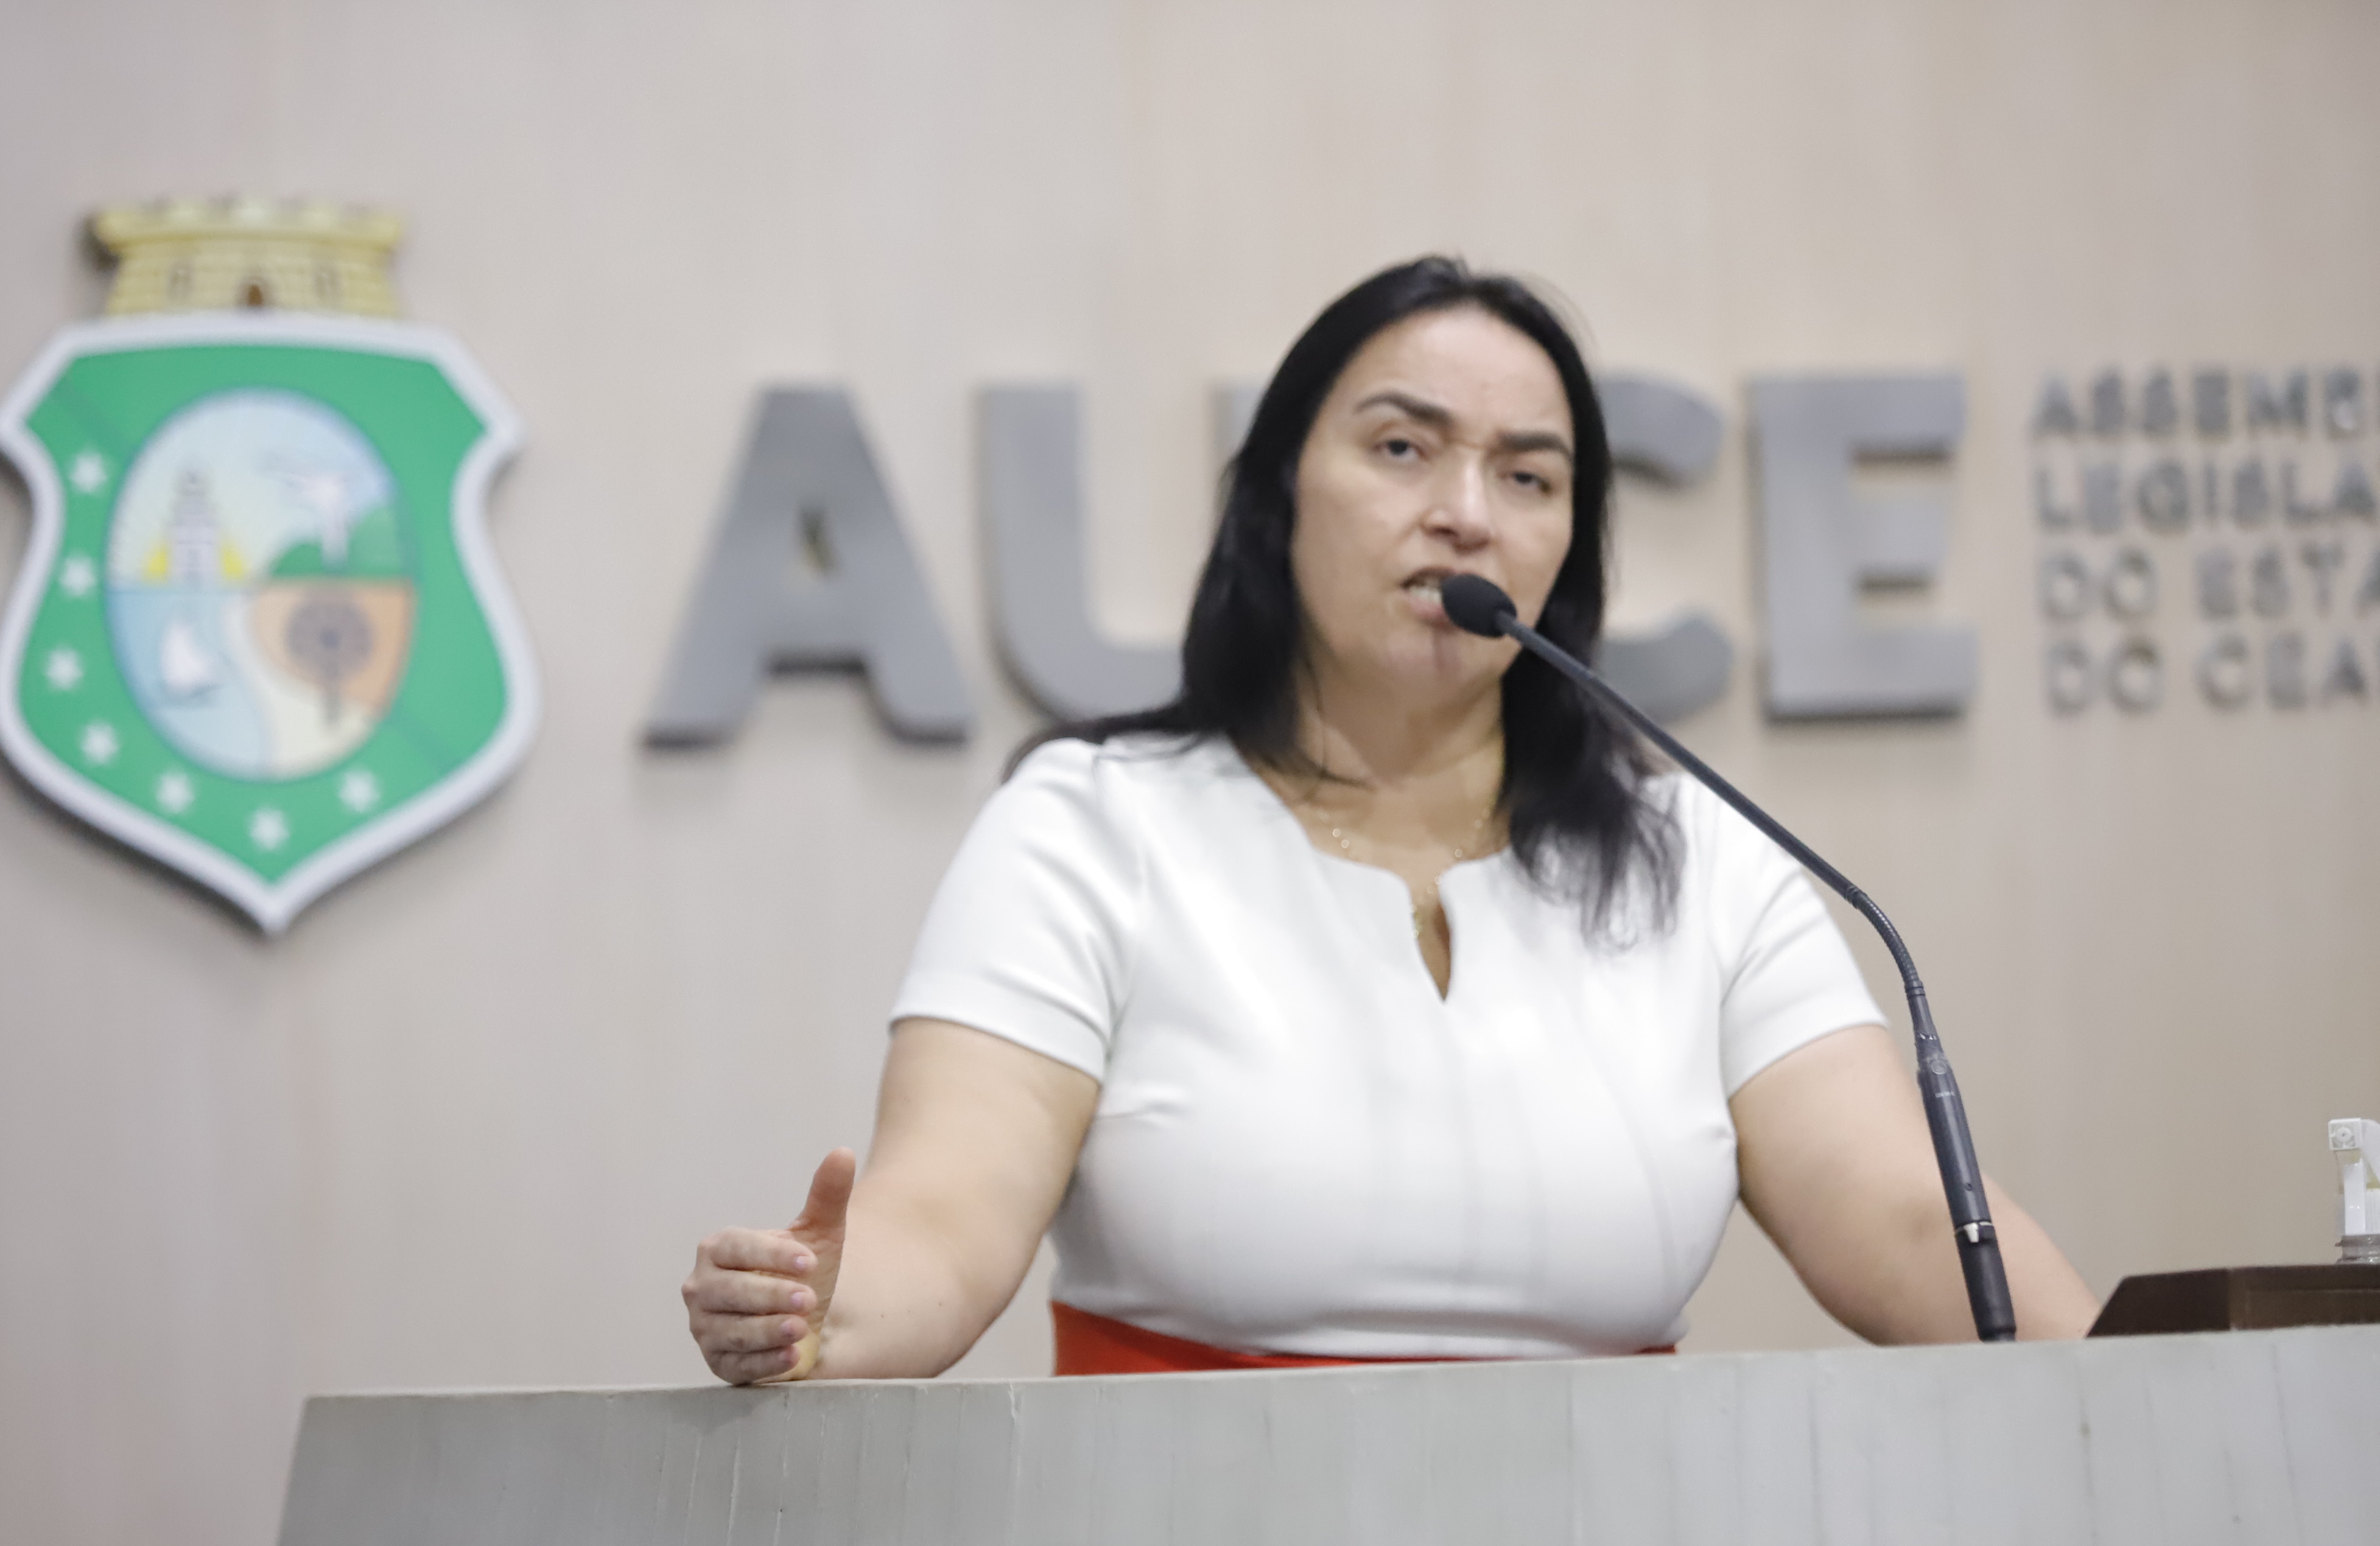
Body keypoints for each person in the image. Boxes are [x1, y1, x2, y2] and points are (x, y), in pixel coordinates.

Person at [684, 257, 2097, 1384]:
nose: (1466, 514)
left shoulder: (1701, 861)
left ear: (1567, 547)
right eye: (1404, 448)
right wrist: (821, 1312)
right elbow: (943, 1219)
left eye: (1527, 476)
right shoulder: (1090, 828)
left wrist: (2143, 1378)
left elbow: (1907, 1223)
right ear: (1277, 496)